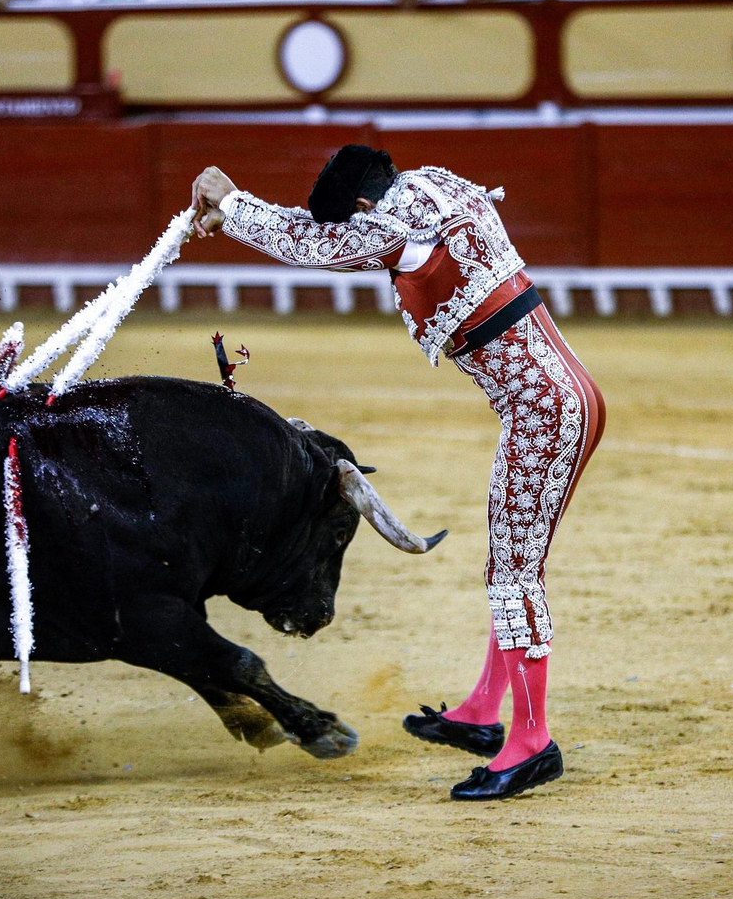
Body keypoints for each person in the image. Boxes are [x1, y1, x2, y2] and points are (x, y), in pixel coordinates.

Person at [190, 147, 605, 802]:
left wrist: (232, 204)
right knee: (510, 565)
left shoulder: (390, 223)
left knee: (514, 575)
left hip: (543, 412)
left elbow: (310, 245)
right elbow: (329, 228)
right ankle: (480, 712)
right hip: (561, 397)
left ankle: (531, 742)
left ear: (362, 206)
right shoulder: (434, 181)